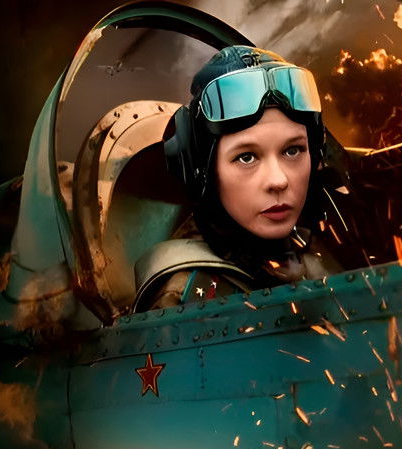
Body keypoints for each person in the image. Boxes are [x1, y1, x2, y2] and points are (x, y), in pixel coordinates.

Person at [133, 45, 341, 311]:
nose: (278, 180)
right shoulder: (183, 296)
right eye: (246, 157)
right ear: (204, 172)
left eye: (293, 150)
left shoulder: (321, 250)